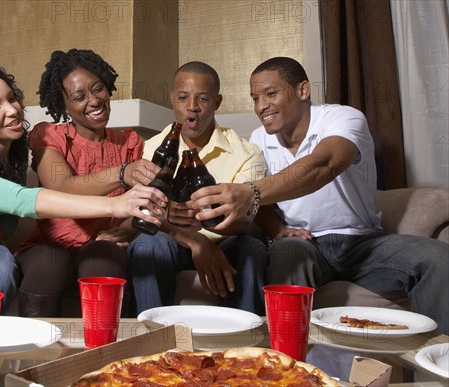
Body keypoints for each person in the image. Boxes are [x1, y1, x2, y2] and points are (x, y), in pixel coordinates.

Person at [0, 66, 167, 383]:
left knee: (1, 268)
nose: (11, 110)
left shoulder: (13, 151)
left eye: (11, 99)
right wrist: (116, 203)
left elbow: (9, 217)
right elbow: (21, 200)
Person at [191, 57, 449, 334]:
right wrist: (277, 228)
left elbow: (324, 163)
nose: (261, 106)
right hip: (304, 244)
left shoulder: (343, 118)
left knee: (439, 258)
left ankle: (439, 363)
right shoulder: (258, 139)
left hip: (361, 243)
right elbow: (260, 205)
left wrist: (251, 192)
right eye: (255, 98)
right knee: (286, 250)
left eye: (271, 94)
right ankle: (286, 366)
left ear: (303, 90)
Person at [14, 49, 160, 317]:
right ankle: (30, 355)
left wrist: (127, 229)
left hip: (102, 242)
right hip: (50, 244)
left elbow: (147, 203)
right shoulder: (49, 135)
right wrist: (122, 173)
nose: (94, 101)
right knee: (51, 263)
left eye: (98, 89)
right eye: (79, 97)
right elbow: (61, 185)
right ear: (63, 105)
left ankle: (101, 352)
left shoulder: (129, 142)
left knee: (102, 260)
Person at [127, 61, 269, 315]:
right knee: (148, 245)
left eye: (203, 98)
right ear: (172, 99)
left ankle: (245, 343)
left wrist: (204, 227)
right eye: (183, 97)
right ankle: (148, 340)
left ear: (217, 102)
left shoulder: (247, 152)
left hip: (226, 241)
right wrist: (196, 242)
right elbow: (145, 213)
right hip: (169, 239)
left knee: (252, 249)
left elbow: (246, 222)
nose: (192, 107)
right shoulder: (151, 149)